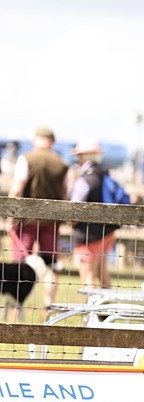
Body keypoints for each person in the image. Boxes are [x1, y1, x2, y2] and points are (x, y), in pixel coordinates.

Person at [7, 127, 68, 307]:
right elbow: (65, 194)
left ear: (35, 140)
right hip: (52, 220)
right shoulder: (62, 163)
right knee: (51, 264)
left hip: (27, 219)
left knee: (20, 263)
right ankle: (49, 305)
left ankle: (16, 307)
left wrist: (10, 216)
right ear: (52, 141)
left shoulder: (26, 159)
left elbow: (17, 189)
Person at [68, 139, 121, 289]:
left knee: (87, 273)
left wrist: (72, 222)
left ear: (83, 156)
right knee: (102, 271)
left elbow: (74, 208)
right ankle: (107, 303)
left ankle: (91, 303)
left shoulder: (85, 179)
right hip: (107, 230)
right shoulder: (104, 174)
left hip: (89, 234)